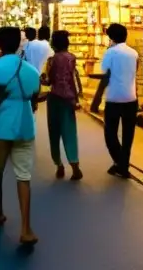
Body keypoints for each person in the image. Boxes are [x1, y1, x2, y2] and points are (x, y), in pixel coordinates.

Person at [0, 26, 42, 246]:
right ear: (19, 44)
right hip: (25, 126)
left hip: (0, 126)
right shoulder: (32, 71)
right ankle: (26, 228)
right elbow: (34, 99)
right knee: (23, 176)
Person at [90, 23, 139, 179]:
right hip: (131, 97)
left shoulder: (110, 53)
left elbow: (105, 75)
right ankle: (122, 164)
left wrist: (96, 99)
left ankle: (121, 163)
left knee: (110, 134)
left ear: (110, 37)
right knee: (128, 135)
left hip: (114, 97)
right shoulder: (134, 53)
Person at [42, 30, 82, 181]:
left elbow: (50, 81)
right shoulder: (72, 58)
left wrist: (42, 80)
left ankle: (59, 165)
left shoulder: (52, 60)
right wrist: (76, 99)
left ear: (54, 43)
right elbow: (72, 80)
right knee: (70, 132)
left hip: (55, 99)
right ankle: (75, 166)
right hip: (69, 100)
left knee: (54, 133)